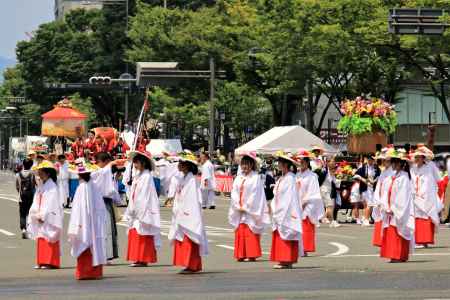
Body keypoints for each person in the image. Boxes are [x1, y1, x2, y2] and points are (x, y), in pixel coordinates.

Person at [168, 151, 208, 274]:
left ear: (187, 165)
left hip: (189, 213)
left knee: (190, 238)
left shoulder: (191, 180)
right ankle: (189, 264)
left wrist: (185, 213)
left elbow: (192, 199)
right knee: (184, 239)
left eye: (181, 163)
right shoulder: (184, 178)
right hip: (182, 211)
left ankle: (191, 265)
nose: (179, 165)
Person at [67, 161, 107, 280]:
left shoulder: (81, 188)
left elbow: (79, 209)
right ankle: (95, 272)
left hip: (83, 222)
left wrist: (78, 224)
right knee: (95, 244)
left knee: (84, 242)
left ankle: (85, 272)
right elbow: (100, 207)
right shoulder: (93, 186)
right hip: (95, 222)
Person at [229, 152, 269, 262]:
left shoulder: (255, 177)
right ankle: (241, 254)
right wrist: (237, 205)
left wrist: (246, 206)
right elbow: (234, 192)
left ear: (252, 165)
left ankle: (252, 254)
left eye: (247, 164)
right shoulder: (239, 177)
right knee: (241, 229)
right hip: (239, 208)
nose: (244, 166)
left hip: (250, 209)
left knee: (250, 229)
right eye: (243, 164)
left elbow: (255, 194)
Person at [124, 151, 161, 267]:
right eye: (134, 162)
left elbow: (144, 195)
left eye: (137, 162)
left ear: (143, 163)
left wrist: (137, 209)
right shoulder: (138, 176)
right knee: (136, 233)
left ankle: (143, 258)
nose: (135, 164)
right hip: (136, 207)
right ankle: (137, 257)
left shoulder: (146, 176)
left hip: (143, 209)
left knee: (143, 233)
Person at [379, 149, 414, 263]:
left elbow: (402, 196)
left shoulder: (404, 178)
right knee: (392, 231)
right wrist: (385, 205)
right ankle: (394, 255)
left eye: (394, 162)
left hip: (398, 209)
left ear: (400, 163)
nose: (392, 164)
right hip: (390, 208)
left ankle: (399, 255)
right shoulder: (392, 176)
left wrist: (394, 208)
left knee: (398, 231)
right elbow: (385, 191)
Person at [27, 161, 64, 269]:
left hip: (49, 216)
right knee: (41, 237)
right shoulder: (42, 185)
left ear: (48, 173)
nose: (40, 175)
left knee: (49, 236)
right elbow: (36, 200)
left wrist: (43, 215)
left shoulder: (52, 186)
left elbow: (51, 203)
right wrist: (34, 212)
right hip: (40, 214)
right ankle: (41, 261)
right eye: (39, 172)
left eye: (42, 172)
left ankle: (50, 262)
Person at [270, 151, 302, 269]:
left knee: (286, 232)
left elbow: (289, 197)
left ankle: (286, 259)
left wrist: (281, 211)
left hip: (287, 210)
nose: (278, 164)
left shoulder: (290, 178)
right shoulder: (282, 178)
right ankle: (284, 259)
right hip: (279, 208)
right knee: (282, 233)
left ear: (286, 164)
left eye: (280, 162)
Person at [410, 147, 442, 248]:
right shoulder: (413, 167)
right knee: (416, 217)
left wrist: (432, 190)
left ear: (423, 158)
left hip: (427, 196)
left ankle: (425, 240)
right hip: (415, 195)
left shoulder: (430, 166)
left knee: (427, 216)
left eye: (419, 157)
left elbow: (438, 178)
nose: (417, 159)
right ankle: (418, 240)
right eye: (416, 157)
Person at [91, 152, 120, 263]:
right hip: (99, 202)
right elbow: (102, 173)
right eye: (107, 162)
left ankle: (107, 255)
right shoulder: (96, 171)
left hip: (105, 201)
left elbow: (110, 186)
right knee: (103, 229)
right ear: (104, 162)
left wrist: (115, 177)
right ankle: (102, 255)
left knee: (108, 229)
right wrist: (110, 165)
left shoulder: (104, 172)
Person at [296, 149, 324, 256]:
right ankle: (298, 247)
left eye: (303, 161)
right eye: (299, 161)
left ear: (307, 163)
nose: (301, 164)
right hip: (297, 204)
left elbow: (314, 192)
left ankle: (305, 248)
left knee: (306, 225)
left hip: (307, 204)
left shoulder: (312, 176)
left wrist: (304, 202)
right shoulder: (297, 175)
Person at [372, 150, 393, 247]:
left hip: (387, 198)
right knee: (379, 217)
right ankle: (379, 240)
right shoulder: (384, 171)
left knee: (386, 219)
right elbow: (379, 186)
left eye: (386, 161)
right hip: (380, 197)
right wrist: (377, 198)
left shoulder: (392, 172)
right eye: (383, 161)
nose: (384, 163)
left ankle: (386, 239)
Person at [355, 156, 381, 226]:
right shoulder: (363, 167)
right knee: (368, 204)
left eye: (372, 160)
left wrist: (374, 181)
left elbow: (379, 176)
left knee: (370, 205)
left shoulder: (376, 168)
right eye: (369, 160)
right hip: (365, 188)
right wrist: (363, 179)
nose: (370, 161)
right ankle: (366, 219)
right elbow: (356, 175)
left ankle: (365, 218)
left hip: (373, 188)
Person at [15, 159, 36, 239]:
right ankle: (30, 230)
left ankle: (23, 229)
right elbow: (34, 185)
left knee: (22, 214)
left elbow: (17, 186)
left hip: (21, 197)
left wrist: (20, 192)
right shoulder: (32, 174)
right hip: (31, 196)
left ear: (23, 164)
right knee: (30, 213)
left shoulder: (18, 174)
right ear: (31, 165)